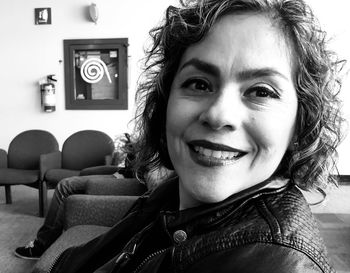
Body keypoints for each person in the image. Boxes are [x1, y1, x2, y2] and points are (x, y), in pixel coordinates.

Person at [43, 0, 346, 272]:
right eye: (199, 84)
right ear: (165, 103)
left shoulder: (275, 261)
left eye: (261, 91)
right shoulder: (171, 194)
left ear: (301, 121)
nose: (218, 115)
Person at [14, 134, 146, 260]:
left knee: (65, 185)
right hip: (124, 173)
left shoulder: (163, 142)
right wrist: (133, 153)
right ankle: (54, 237)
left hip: (129, 179)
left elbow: (152, 176)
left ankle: (43, 244)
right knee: (72, 181)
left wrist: (139, 159)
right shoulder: (157, 132)